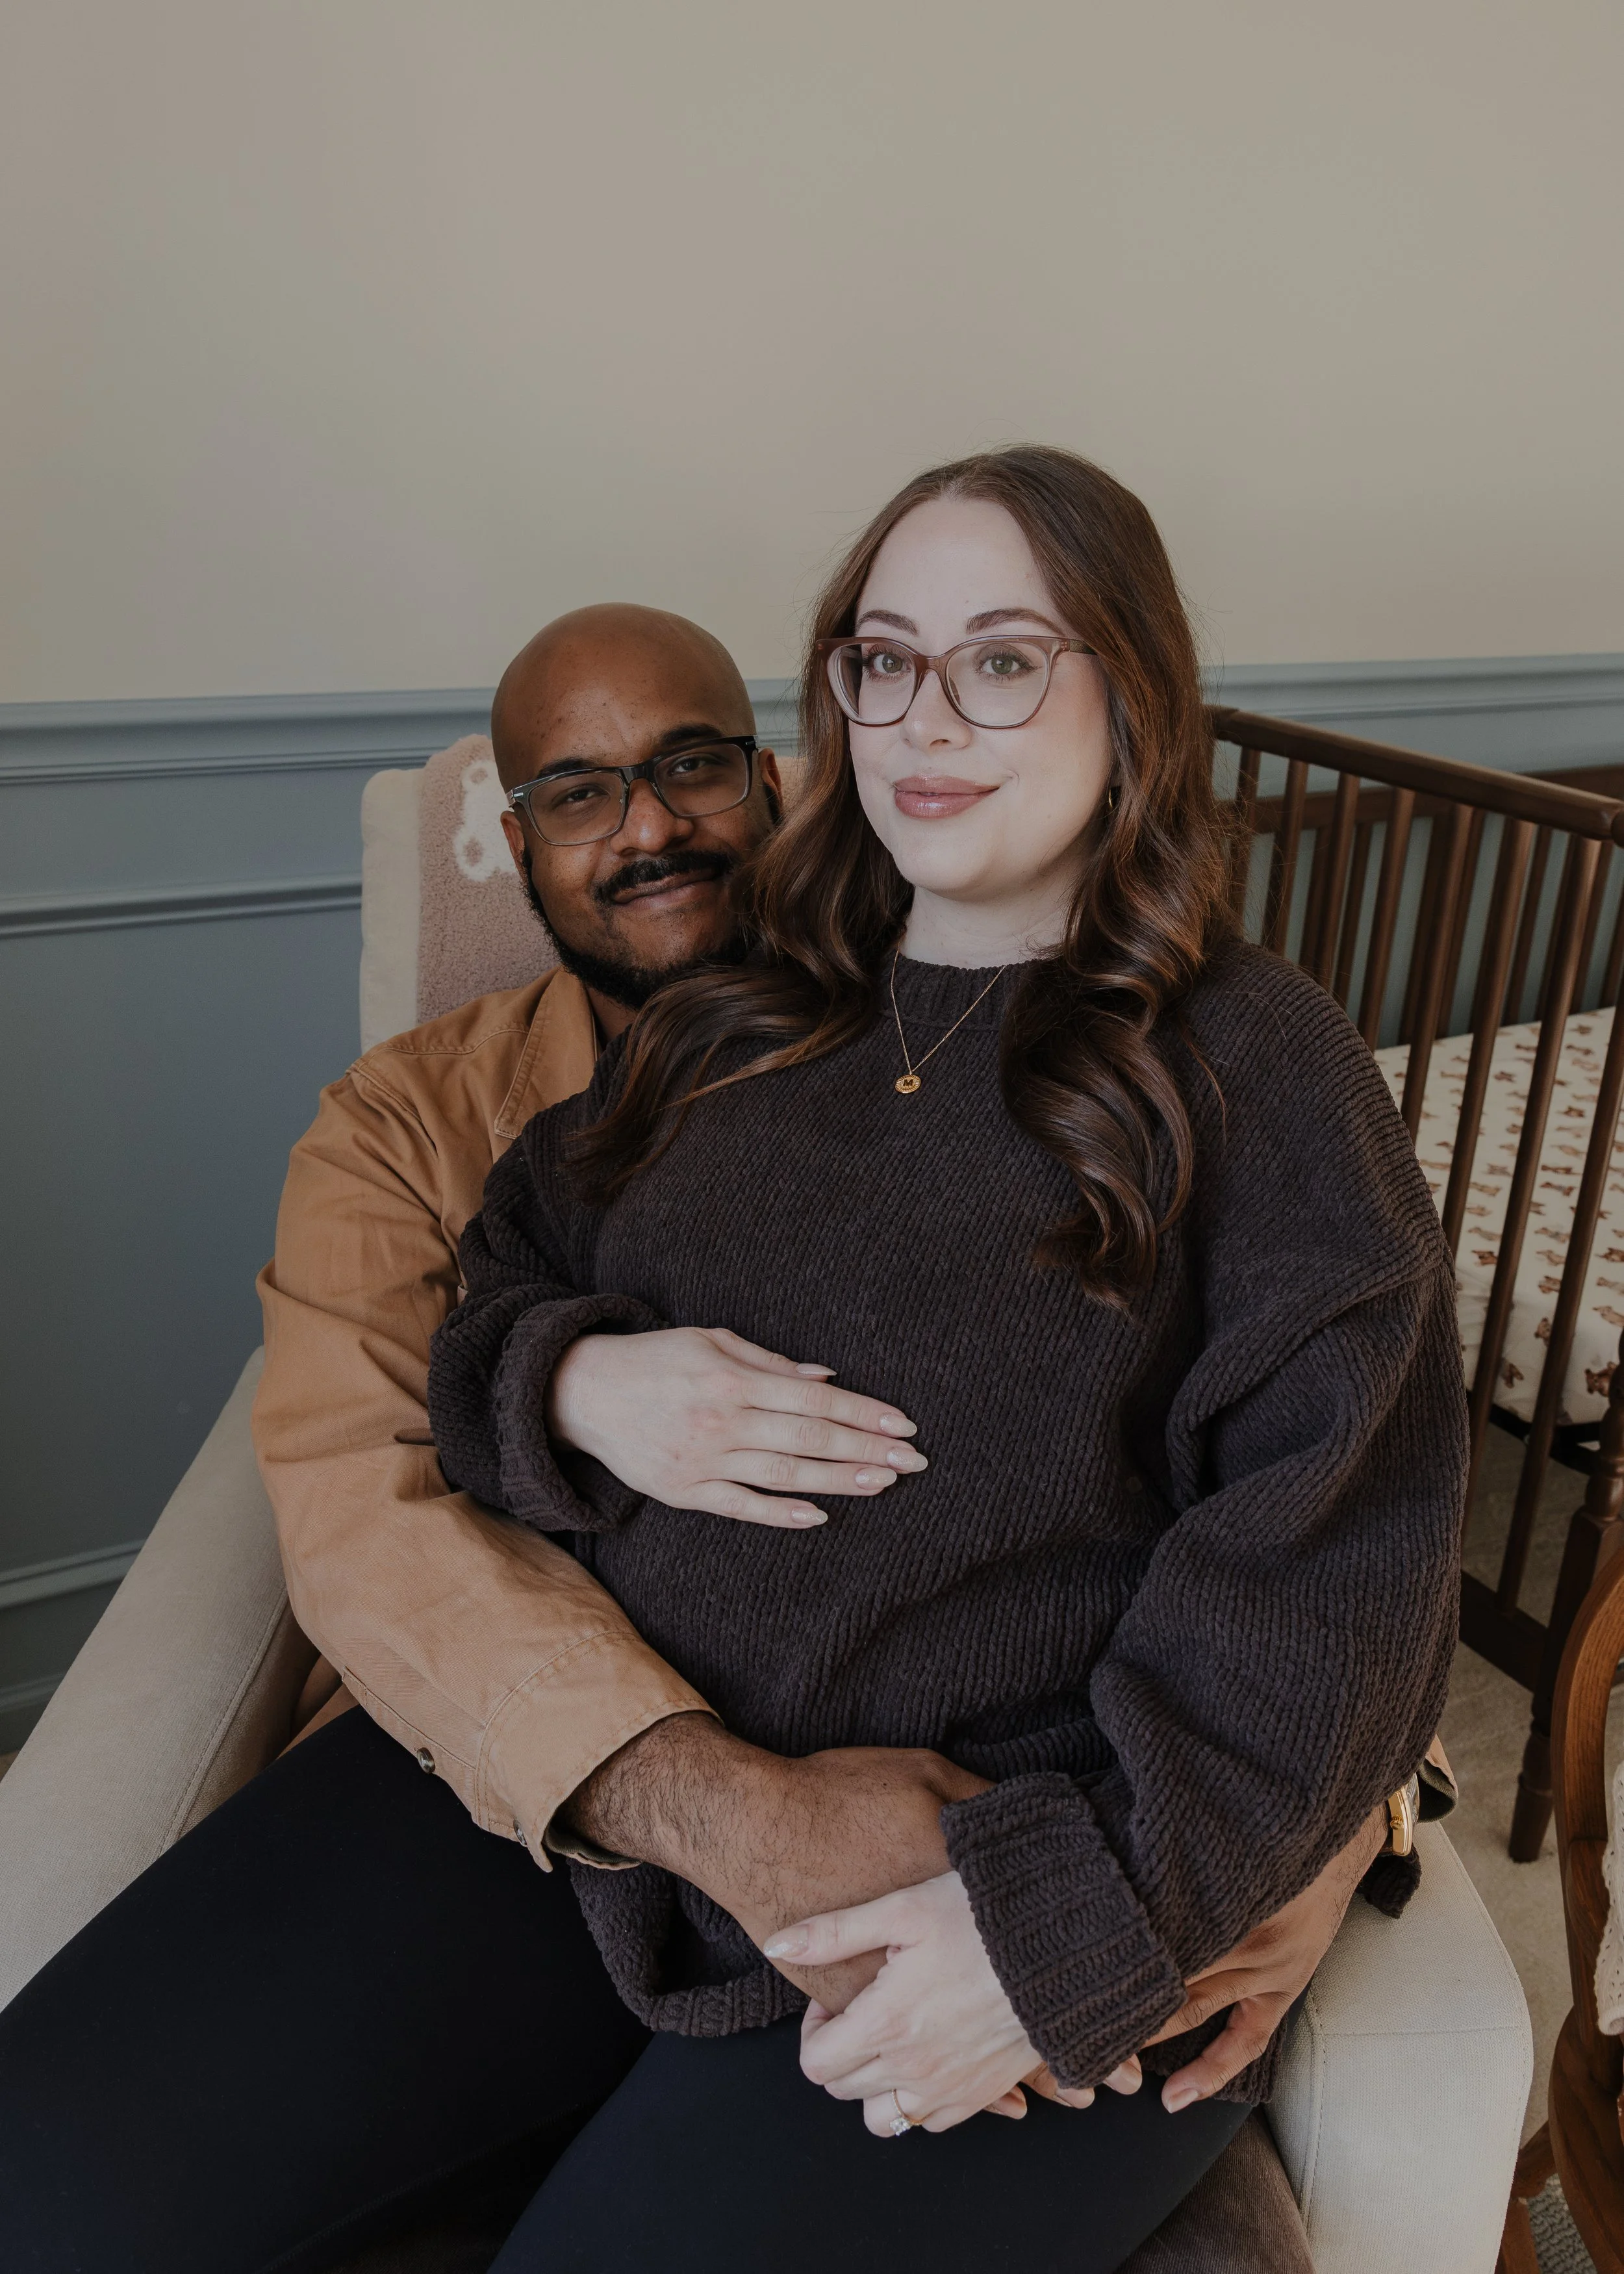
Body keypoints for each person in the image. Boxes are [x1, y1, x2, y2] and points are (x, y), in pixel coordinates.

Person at [0, 576, 1410, 2274]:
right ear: (508, 846)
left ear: (776, 782)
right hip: (545, 1799)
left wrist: (1341, 1810)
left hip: (980, 1808)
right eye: (578, 793)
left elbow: (1311, 1459)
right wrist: (708, 1774)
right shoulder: (408, 1126)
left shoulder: (1047, 1028)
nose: (649, 826)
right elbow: (368, 1524)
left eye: (692, 767)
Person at [422, 445, 1467, 2271]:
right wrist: (575, 1383)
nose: (927, 715)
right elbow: (502, 1265)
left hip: (986, 1876)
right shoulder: (752, 997)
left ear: (1128, 694)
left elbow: (1340, 1565)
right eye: (880, 657)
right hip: (610, 1806)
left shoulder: (1258, 1068)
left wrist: (1070, 1931)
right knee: (57, 2161)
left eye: (1000, 658)